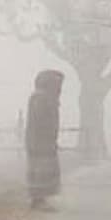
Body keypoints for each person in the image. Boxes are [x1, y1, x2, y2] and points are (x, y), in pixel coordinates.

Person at [26, 69, 64, 210]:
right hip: (40, 141)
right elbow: (40, 121)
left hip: (44, 140)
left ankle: (40, 198)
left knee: (43, 169)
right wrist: (45, 138)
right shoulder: (41, 98)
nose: (59, 88)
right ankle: (38, 199)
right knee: (40, 170)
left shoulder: (45, 97)